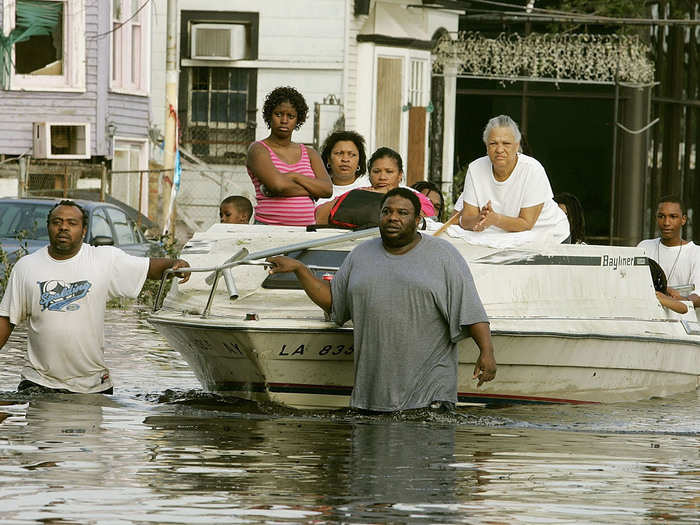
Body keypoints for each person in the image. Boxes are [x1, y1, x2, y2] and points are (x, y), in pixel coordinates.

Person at [267, 187, 496, 413]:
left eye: (402, 213)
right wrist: (300, 269)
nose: (393, 217)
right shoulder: (360, 254)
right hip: (370, 399)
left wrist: (486, 352)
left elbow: (471, 308)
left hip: (429, 400)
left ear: (418, 220)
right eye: (387, 211)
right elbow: (335, 302)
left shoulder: (444, 255)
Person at [0, 200, 191, 394]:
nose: (63, 227)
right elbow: (7, 320)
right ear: (48, 227)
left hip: (92, 385)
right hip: (39, 381)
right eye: (57, 222)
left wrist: (174, 264)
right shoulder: (27, 267)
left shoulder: (103, 260)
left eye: (72, 223)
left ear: (84, 231)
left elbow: (148, 267)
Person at [455, 115, 569, 241]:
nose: (499, 149)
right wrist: (479, 219)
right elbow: (466, 219)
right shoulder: (475, 168)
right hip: (504, 238)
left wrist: (495, 219)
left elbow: (526, 223)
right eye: (493, 143)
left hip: (549, 235)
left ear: (516, 145)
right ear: (486, 146)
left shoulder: (532, 169)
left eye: (506, 143)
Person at [246, 86, 332, 225]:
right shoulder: (258, 149)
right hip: (268, 228)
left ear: (298, 119)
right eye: (278, 114)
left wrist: (294, 176)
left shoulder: (310, 153)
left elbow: (327, 189)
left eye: (291, 116)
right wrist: (313, 190)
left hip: (305, 232)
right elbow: (278, 186)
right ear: (269, 115)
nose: (284, 120)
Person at [315, 147, 435, 225]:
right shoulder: (358, 193)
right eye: (376, 171)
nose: (382, 177)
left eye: (389, 172)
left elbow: (426, 220)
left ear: (400, 175)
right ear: (369, 174)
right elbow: (320, 216)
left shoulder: (415, 197)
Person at [637, 196, 699, 307]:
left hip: (682, 322)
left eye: (673, 217)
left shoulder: (695, 253)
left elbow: (698, 296)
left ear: (683, 219)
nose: (666, 222)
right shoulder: (644, 247)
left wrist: (679, 300)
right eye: (661, 216)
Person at [316, 130, 369, 206]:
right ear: (328, 159)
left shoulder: (369, 187)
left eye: (352, 154)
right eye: (339, 153)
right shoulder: (319, 189)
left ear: (359, 160)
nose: (345, 159)